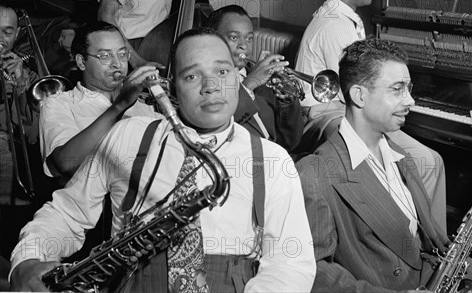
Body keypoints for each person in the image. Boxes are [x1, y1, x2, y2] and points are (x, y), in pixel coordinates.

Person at [9, 28, 315, 292]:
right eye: (192, 75)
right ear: (171, 88)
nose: (211, 86)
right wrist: (28, 259)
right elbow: (65, 214)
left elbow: (290, 265)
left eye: (222, 72)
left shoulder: (273, 159)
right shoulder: (128, 135)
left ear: (237, 78)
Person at [297, 37, 472, 293]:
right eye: (397, 90)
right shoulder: (316, 172)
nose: (410, 100)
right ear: (359, 96)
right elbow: (313, 273)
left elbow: (436, 245)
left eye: (409, 89)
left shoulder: (400, 156)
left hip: (445, 280)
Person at [295, 0, 446, 231]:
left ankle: (424, 239)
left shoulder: (343, 16)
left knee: (427, 159)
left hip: (347, 109)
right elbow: (360, 89)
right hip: (326, 118)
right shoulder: (333, 25)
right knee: (428, 161)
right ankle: (426, 242)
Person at [39, 21, 162, 180]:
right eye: (105, 56)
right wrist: (120, 106)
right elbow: (67, 164)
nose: (117, 64)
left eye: (122, 54)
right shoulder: (59, 103)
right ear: (81, 62)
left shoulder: (147, 102)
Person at [207, 5, 304, 153]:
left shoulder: (266, 82)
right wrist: (248, 85)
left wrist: (287, 104)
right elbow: (216, 134)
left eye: (249, 38)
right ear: (212, 39)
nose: (243, 46)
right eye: (234, 37)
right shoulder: (207, 84)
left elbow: (291, 142)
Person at [0, 5, 39, 206]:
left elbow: (32, 136)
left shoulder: (28, 76)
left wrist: (21, 85)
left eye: (7, 32)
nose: (0, 38)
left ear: (16, 35)